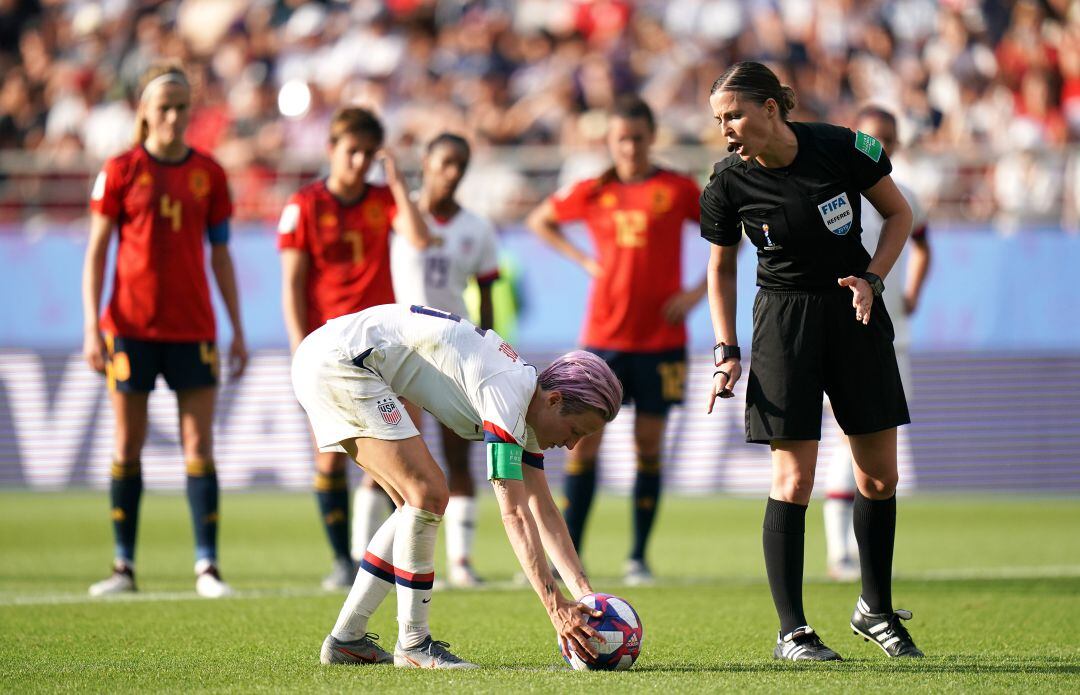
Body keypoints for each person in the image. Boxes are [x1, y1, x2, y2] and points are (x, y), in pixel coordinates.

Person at [700, 62, 924, 660]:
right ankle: (792, 630)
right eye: (720, 119)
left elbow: (900, 215)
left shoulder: (842, 147)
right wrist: (726, 350)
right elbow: (720, 270)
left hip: (856, 313)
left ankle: (874, 610)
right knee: (793, 480)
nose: (726, 129)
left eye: (735, 115)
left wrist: (873, 279)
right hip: (783, 323)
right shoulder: (727, 182)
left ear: (772, 107)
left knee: (879, 477)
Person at [292, 303, 622, 669]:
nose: (572, 445)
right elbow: (514, 513)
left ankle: (347, 640)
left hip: (335, 357)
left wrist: (586, 597)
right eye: (575, 431)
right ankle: (414, 644)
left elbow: (542, 509)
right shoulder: (508, 392)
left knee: (414, 505)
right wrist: (554, 605)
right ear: (554, 400)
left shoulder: (527, 403)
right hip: (339, 363)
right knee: (428, 493)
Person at [82, 62, 246, 598]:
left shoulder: (210, 174)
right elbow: (98, 251)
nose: (174, 116)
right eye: (164, 107)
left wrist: (237, 327)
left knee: (198, 445)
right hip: (129, 328)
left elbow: (221, 255)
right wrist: (91, 325)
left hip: (192, 328)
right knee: (126, 444)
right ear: (145, 113)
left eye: (181, 107)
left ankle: (207, 567)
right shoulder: (122, 169)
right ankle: (123, 566)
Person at [526, 95, 704, 585]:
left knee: (649, 444)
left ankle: (638, 556)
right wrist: (583, 260)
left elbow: (728, 235)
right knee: (583, 444)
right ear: (609, 141)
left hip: (663, 338)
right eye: (621, 139)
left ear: (652, 138)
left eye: (638, 139)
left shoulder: (677, 188)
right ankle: (572, 556)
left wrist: (697, 292)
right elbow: (540, 219)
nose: (629, 148)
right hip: (605, 338)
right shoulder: (594, 189)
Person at [278, 106, 429, 590]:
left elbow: (420, 238)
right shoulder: (304, 205)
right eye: (352, 152)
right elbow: (293, 284)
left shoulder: (382, 199)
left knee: (397, 449)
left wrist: (397, 180)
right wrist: (298, 348)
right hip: (327, 349)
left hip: (382, 344)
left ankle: (392, 558)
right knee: (329, 457)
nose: (359, 161)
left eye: (368, 153)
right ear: (331, 150)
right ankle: (341, 562)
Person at [362, 132, 500, 588]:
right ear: (426, 162)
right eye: (445, 162)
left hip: (453, 349)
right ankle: (358, 560)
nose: (452, 172)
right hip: (399, 348)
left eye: (461, 163)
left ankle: (460, 563)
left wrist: (488, 347)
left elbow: (486, 296)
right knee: (387, 458)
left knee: (459, 455)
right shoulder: (398, 212)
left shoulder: (477, 228)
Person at [823, 106, 932, 582]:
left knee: (865, 446)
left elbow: (923, 241)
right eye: (872, 137)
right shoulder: (835, 192)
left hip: (892, 334)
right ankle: (840, 550)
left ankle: (848, 552)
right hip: (845, 331)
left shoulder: (903, 196)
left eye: (887, 138)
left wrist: (911, 293)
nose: (880, 146)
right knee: (848, 441)